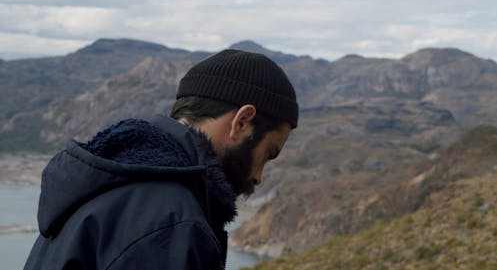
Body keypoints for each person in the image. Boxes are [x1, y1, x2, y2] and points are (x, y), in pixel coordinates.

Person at [23, 49, 298, 270]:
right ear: (242, 122)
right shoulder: (170, 220)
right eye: (268, 154)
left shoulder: (114, 183)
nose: (258, 177)